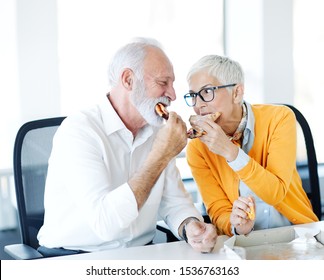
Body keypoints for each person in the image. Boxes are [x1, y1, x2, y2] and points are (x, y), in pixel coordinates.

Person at [37, 38, 217, 257]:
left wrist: (191, 226)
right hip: (76, 257)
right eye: (163, 83)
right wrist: (161, 155)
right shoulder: (79, 131)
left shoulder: (159, 130)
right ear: (129, 80)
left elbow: (175, 203)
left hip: (141, 254)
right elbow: (106, 224)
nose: (173, 94)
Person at [184, 54, 318, 237]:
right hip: (245, 242)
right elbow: (218, 209)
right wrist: (237, 226)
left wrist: (231, 152)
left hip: (298, 234)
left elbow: (275, 193)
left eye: (207, 92)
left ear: (237, 92)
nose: (198, 105)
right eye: (193, 95)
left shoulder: (280, 118)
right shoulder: (197, 147)